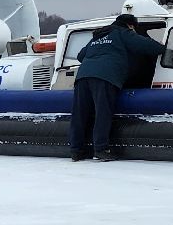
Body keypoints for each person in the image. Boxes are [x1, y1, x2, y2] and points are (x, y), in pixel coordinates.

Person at [70, 13, 165, 161]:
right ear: (130, 25)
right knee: (103, 113)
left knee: (80, 114)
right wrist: (165, 49)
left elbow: (81, 56)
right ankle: (100, 149)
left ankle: (76, 150)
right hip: (105, 77)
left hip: (83, 77)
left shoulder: (99, 35)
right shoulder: (123, 33)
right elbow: (148, 46)